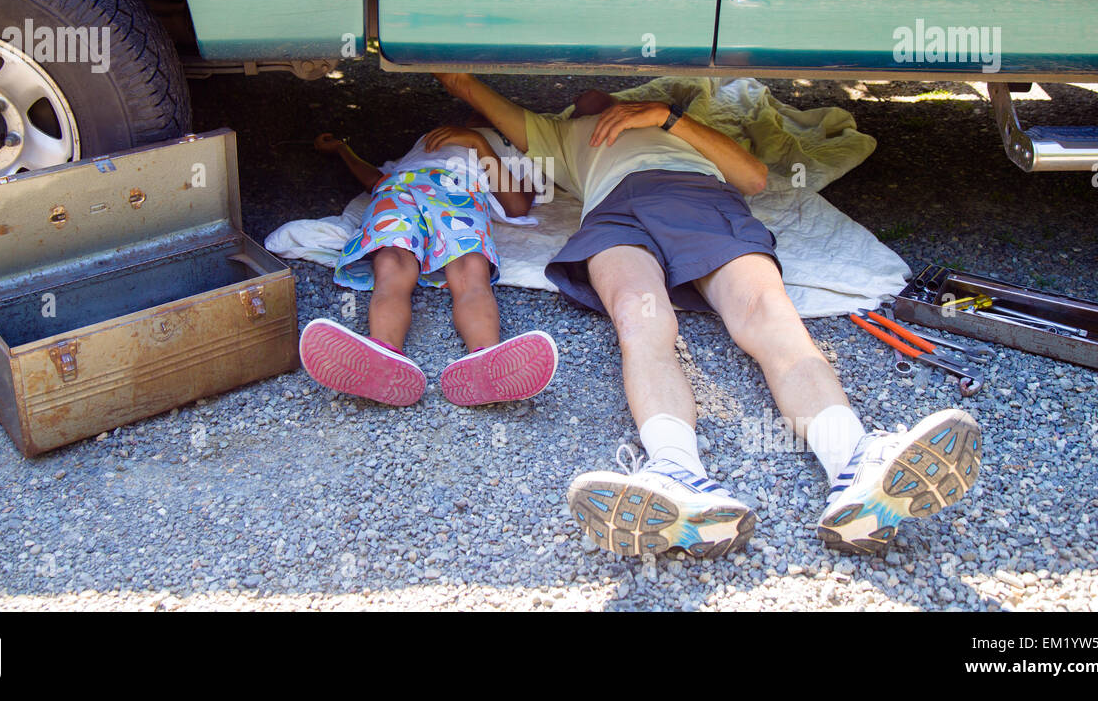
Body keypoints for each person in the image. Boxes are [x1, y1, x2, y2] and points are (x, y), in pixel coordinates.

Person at [433, 73, 982, 557]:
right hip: (614, 216)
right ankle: (678, 475)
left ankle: (855, 465)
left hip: (699, 198)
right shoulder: (553, 131)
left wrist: (667, 118)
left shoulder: (681, 123)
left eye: (612, 91)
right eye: (584, 93)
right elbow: (462, 83)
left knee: (767, 314)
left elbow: (754, 179)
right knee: (639, 321)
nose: (592, 91)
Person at [299, 124, 557, 408]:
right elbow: (375, 179)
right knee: (391, 261)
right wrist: (342, 149)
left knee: (470, 267)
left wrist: (478, 142)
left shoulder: (511, 146)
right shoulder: (425, 140)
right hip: (400, 187)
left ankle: (487, 363)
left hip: (460, 190)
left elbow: (517, 204)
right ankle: (382, 355)